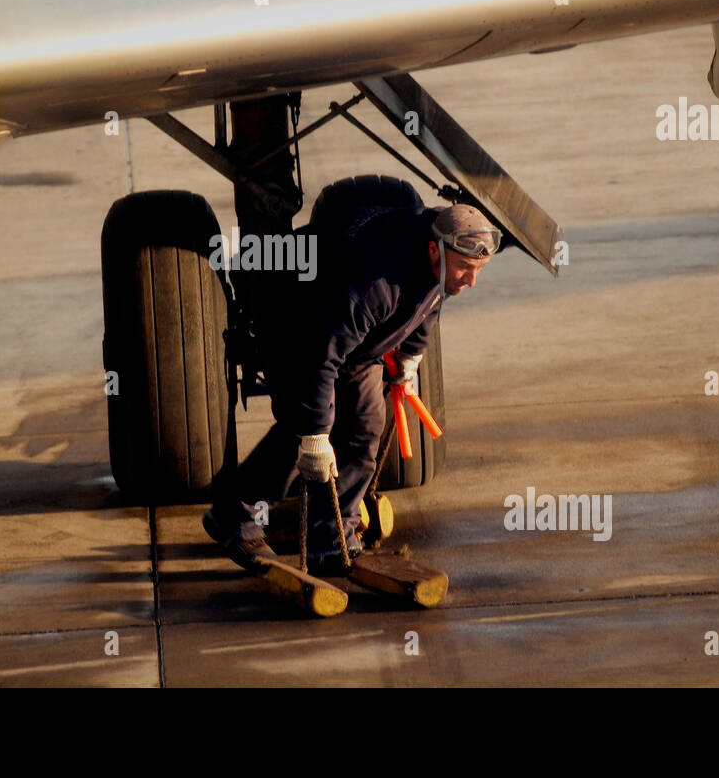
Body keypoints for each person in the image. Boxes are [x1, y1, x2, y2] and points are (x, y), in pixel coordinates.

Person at [203, 201, 501, 575]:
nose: (472, 281)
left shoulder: (440, 262)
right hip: (296, 321)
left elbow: (429, 305)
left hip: (353, 343)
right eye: (466, 269)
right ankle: (235, 514)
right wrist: (315, 434)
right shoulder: (376, 283)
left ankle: (329, 540)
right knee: (305, 426)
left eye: (479, 271)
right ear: (433, 250)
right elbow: (321, 355)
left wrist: (408, 358)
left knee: (364, 426)